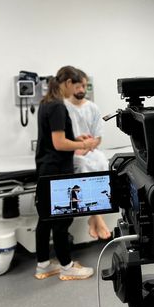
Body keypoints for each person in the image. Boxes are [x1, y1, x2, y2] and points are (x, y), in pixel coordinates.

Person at [35, 66, 96, 280]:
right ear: (68, 82)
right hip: (58, 170)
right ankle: (67, 266)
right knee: (62, 219)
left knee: (45, 219)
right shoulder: (59, 106)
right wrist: (86, 143)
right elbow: (59, 144)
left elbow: (56, 139)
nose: (79, 89)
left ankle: (43, 264)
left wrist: (77, 139)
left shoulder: (46, 103)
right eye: (78, 85)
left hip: (45, 168)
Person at [65, 70, 111, 240]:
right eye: (78, 86)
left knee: (102, 162)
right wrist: (77, 147)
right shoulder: (63, 107)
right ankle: (98, 218)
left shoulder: (92, 108)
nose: (81, 89)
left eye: (84, 85)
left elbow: (98, 136)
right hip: (72, 153)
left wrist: (88, 146)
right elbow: (63, 139)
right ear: (70, 86)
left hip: (90, 149)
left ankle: (94, 217)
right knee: (83, 166)